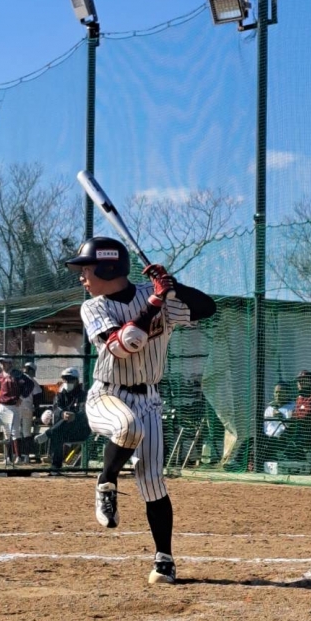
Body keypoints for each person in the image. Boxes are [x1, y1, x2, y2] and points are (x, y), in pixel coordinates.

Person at [65, 236, 216, 585]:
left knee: (152, 482)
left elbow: (206, 308)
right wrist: (156, 300)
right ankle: (106, 482)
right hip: (107, 394)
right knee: (128, 426)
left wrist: (174, 286)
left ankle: (164, 560)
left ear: (108, 268)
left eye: (87, 269)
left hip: (148, 398)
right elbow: (125, 344)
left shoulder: (156, 295)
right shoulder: (93, 308)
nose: (82, 277)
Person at [41, 366, 89, 474]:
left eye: (70, 379)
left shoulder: (83, 395)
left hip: (79, 430)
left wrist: (75, 416)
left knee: (59, 429)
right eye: (65, 379)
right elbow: (56, 408)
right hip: (64, 430)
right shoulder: (60, 395)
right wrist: (63, 413)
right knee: (58, 434)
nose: (67, 382)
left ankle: (49, 433)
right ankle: (55, 468)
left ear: (76, 381)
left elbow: (84, 412)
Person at [0, 356, 34, 465]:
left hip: (13, 405)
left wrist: (22, 397)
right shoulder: (0, 375)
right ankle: (8, 458)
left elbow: (30, 385)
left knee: (15, 431)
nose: (2, 365)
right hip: (2, 405)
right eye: (1, 363)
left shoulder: (17, 374)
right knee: (6, 431)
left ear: (10, 363)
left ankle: (18, 457)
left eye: (5, 362)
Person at [18, 361, 43, 461]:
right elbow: (38, 397)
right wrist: (37, 413)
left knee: (16, 432)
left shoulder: (17, 378)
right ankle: (26, 456)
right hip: (26, 407)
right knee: (26, 432)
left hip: (16, 407)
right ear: (32, 371)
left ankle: (16, 456)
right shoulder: (32, 381)